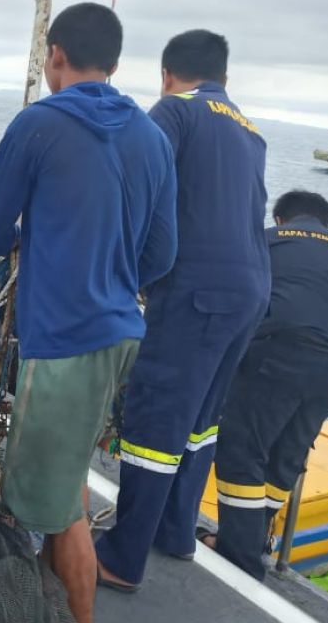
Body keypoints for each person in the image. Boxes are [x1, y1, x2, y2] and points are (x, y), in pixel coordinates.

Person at [0, 2, 178, 623]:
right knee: (64, 480)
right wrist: (109, 280)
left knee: (54, 505)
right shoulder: (153, 135)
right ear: (115, 64)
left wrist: (42, 248)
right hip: (121, 333)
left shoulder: (37, 123)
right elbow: (162, 253)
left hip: (63, 342)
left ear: (54, 54)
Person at [96, 30, 270, 591]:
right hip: (251, 291)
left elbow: (136, 181)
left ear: (167, 74)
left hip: (197, 291)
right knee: (200, 420)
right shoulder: (249, 128)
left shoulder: (175, 110)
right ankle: (175, 532)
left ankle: (121, 558)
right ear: (225, 75)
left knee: (156, 412)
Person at [208, 191, 328, 579]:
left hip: (284, 351)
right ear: (325, 223)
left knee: (241, 449)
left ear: (281, 217)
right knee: (287, 451)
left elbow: (244, 297)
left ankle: (239, 555)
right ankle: (257, 540)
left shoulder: (271, 239)